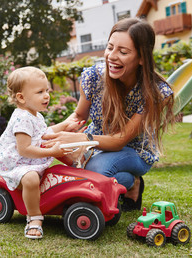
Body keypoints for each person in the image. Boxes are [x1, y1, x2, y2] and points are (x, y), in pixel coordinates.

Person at [43, 18, 175, 211]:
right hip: (96, 145)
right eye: (110, 47)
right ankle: (130, 183)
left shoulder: (155, 94)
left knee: (95, 170)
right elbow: (79, 115)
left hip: (135, 152)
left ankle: (118, 186)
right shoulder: (94, 77)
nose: (111, 56)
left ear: (141, 58)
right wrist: (52, 131)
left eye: (123, 52)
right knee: (63, 158)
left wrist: (82, 138)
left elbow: (120, 140)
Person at [0, 67, 83, 239]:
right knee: (31, 178)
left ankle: (79, 166)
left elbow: (43, 133)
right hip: (17, 164)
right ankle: (34, 217)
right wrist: (51, 151)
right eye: (40, 92)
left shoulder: (35, 115)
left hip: (30, 161)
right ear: (21, 97)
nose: (46, 96)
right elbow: (24, 149)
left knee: (58, 153)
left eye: (47, 91)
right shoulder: (21, 118)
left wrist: (65, 125)